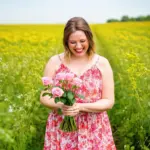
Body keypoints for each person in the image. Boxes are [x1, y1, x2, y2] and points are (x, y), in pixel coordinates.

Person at [40, 17, 116, 150]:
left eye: (82, 41)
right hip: (61, 128)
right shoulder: (54, 62)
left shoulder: (102, 63)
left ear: (89, 39)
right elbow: (44, 96)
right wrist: (63, 105)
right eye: (73, 42)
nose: (78, 46)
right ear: (66, 42)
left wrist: (80, 107)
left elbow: (108, 101)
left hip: (94, 128)